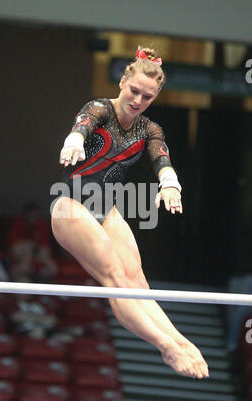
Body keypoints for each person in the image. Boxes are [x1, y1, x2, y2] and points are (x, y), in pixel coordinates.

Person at [51, 46, 209, 379]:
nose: (138, 100)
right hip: (71, 207)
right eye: (134, 90)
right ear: (122, 80)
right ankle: (165, 346)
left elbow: (161, 159)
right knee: (117, 280)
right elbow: (84, 123)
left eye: (147, 97)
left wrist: (170, 184)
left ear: (155, 97)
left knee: (138, 283)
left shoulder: (149, 130)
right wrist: (75, 140)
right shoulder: (100, 109)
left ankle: (180, 341)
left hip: (105, 211)